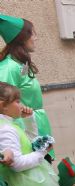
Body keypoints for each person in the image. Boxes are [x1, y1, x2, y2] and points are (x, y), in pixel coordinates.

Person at [0, 82, 60, 186]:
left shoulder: (8, 124)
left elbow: (28, 142)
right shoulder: (6, 129)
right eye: (17, 101)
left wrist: (29, 120)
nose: (21, 105)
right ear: (3, 105)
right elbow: (17, 164)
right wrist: (42, 153)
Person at [0, 14, 53, 159]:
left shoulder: (20, 64)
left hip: (35, 126)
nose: (35, 38)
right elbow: (4, 107)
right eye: (32, 34)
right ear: (21, 38)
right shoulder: (8, 67)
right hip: (25, 132)